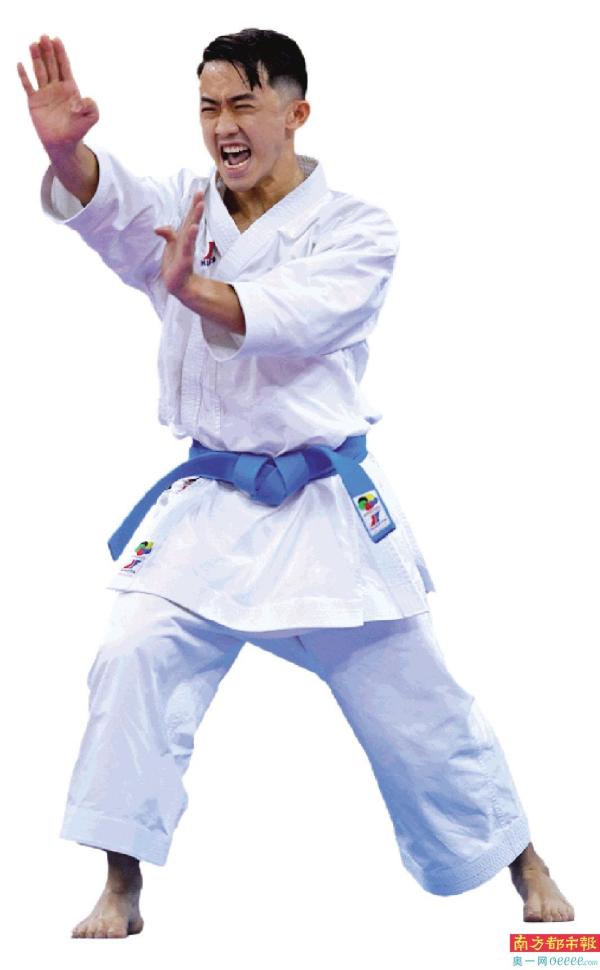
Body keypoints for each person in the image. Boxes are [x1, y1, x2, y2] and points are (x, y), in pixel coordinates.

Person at [18, 28, 574, 939]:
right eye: (208, 107)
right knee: (133, 654)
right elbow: (110, 208)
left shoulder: (359, 230)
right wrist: (66, 154)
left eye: (243, 104)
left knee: (419, 705)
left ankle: (523, 859)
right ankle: (121, 880)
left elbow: (298, 316)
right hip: (209, 501)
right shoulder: (186, 205)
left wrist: (192, 291)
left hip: (322, 506)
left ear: (295, 111)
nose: (223, 126)